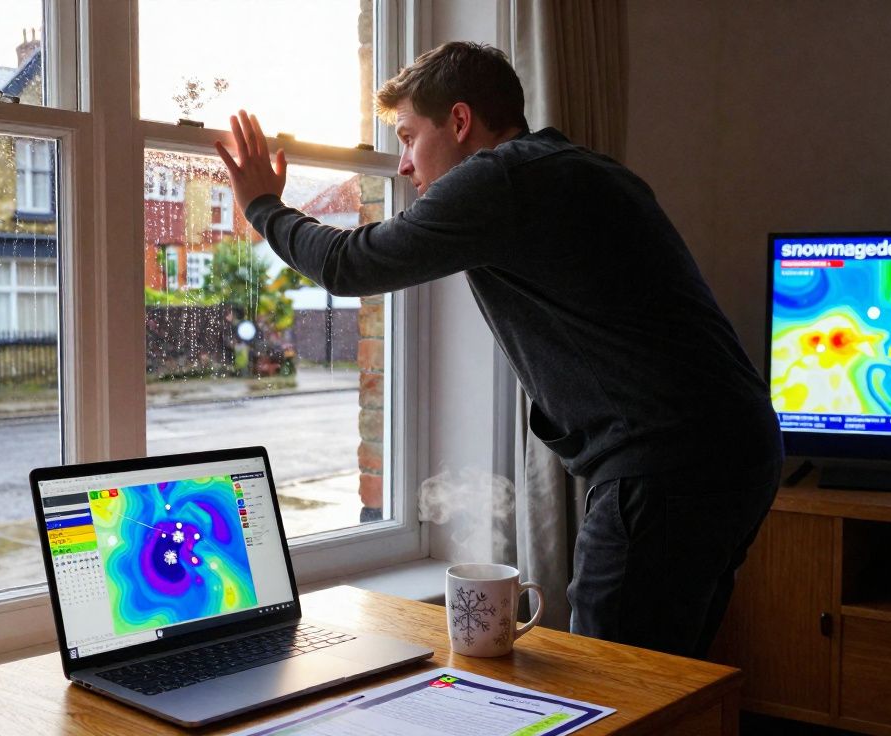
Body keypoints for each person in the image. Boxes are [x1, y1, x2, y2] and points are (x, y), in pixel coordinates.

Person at [214, 41, 783, 658]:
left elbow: (351, 263)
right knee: (671, 674)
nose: (404, 164)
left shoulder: (501, 178)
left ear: (459, 122)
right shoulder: (584, 169)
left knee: (621, 683)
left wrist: (262, 206)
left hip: (662, 464)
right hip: (739, 445)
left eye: (408, 136)